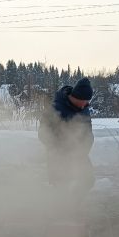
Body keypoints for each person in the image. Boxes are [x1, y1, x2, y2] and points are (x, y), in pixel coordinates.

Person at [38, 77, 95, 205]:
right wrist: (59, 147)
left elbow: (88, 133)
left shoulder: (84, 108)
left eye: (87, 101)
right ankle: (59, 213)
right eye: (83, 101)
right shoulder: (55, 108)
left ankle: (74, 205)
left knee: (88, 180)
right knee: (61, 185)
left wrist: (84, 149)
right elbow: (43, 133)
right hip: (59, 155)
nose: (86, 104)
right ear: (76, 97)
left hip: (79, 154)